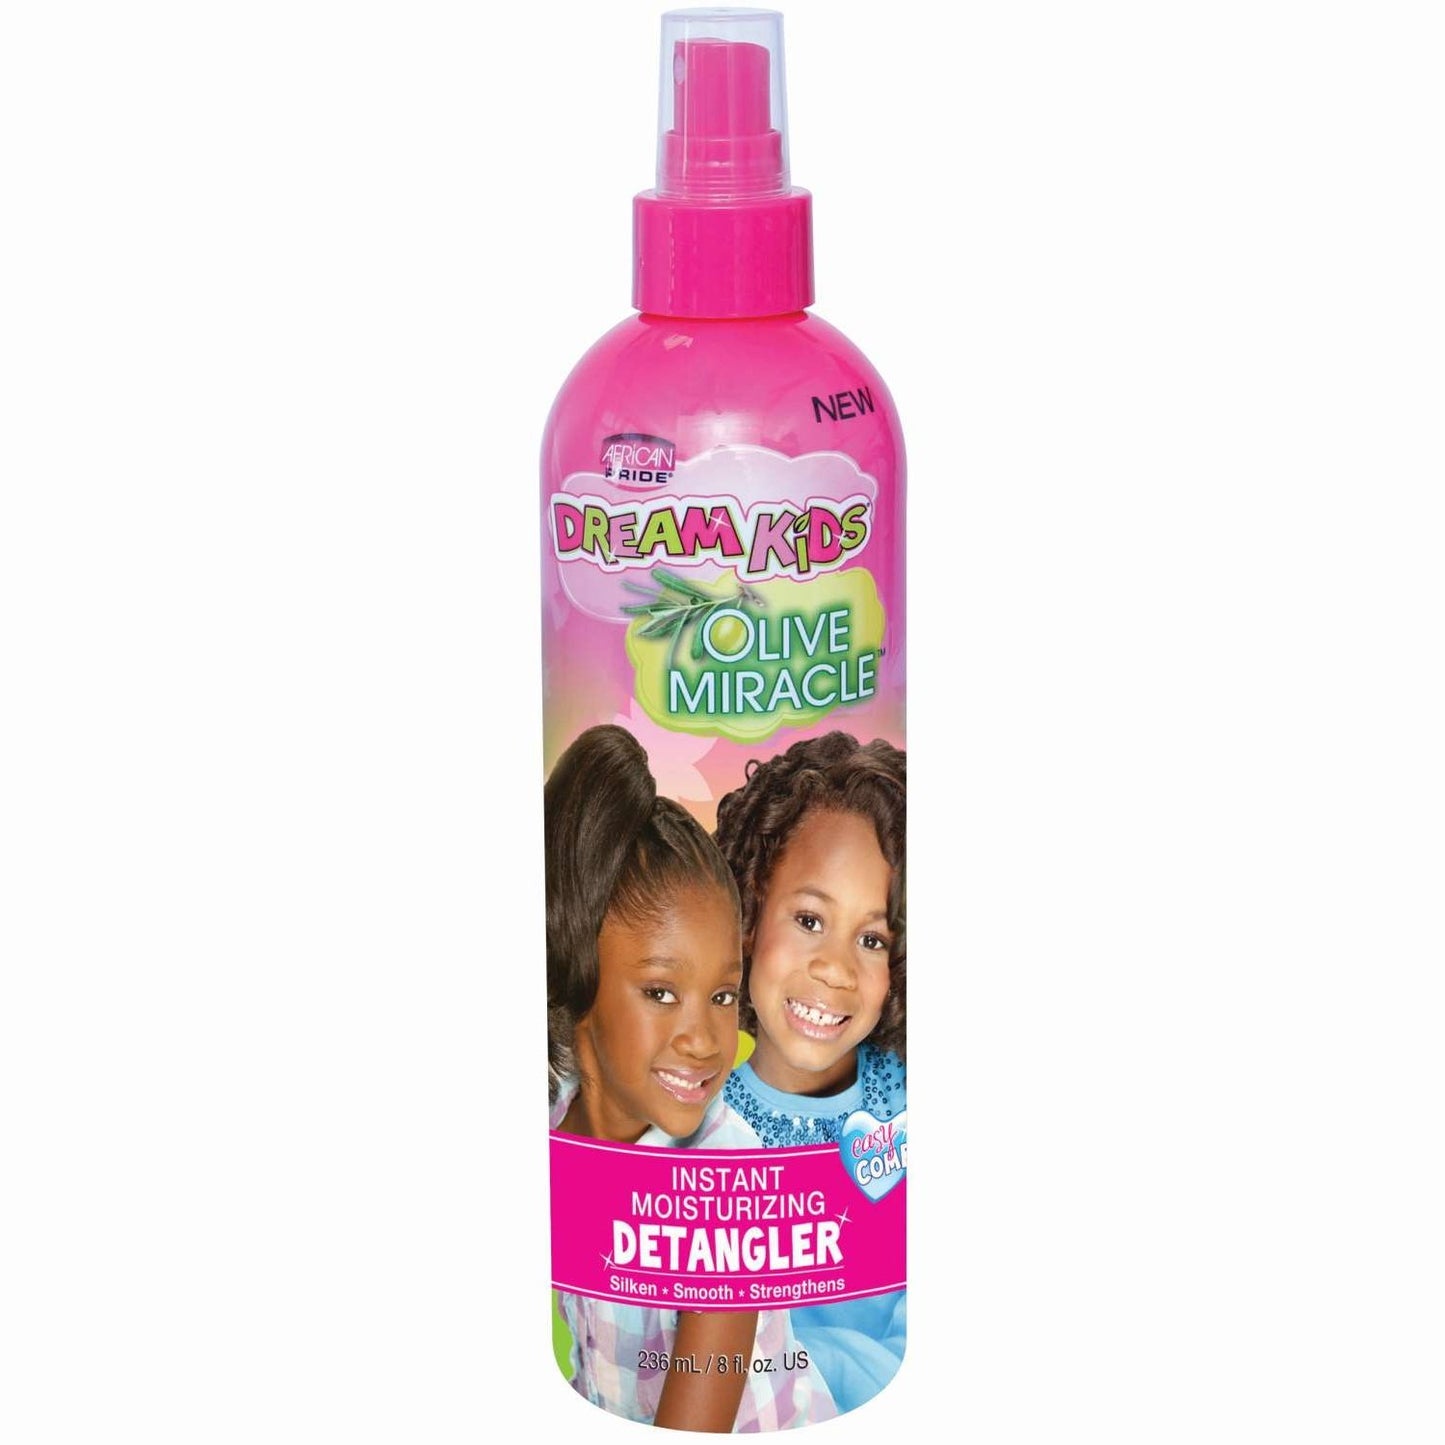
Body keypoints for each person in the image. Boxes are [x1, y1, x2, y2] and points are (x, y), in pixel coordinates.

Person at [547, 723, 835, 1431]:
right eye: (661, 992)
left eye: (723, 995)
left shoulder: (722, 1176)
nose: (707, 1040)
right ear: (579, 976)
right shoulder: (556, 1124)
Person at [715, 732, 907, 1415]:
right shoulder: (695, 1128)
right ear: (747, 913)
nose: (835, 968)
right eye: (808, 919)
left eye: (871, 939)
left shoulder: (908, 1100)